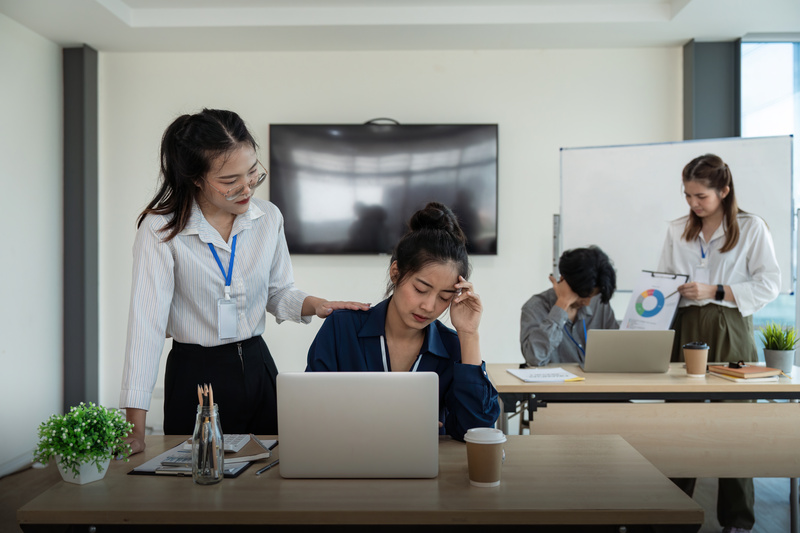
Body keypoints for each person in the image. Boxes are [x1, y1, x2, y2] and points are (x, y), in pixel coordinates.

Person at [119, 108, 369, 454]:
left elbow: (278, 292)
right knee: (199, 488)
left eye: (253, 172)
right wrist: (135, 426)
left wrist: (316, 304)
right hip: (196, 375)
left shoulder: (268, 218)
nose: (246, 186)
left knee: (274, 476)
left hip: (258, 366)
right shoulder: (161, 231)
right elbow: (146, 328)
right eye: (229, 181)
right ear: (195, 178)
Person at [657, 153, 780, 533]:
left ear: (724, 191)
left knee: (735, 423)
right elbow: (662, 277)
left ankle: (738, 521)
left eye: (701, 197)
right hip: (687, 321)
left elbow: (769, 283)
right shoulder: (678, 228)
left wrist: (717, 289)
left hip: (730, 322)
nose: (693, 204)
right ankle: (673, 516)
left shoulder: (751, 227)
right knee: (681, 421)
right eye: (688, 195)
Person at [306, 202, 500, 440]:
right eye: (420, 289)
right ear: (395, 272)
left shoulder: (453, 346)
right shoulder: (341, 328)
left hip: (425, 469)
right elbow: (311, 416)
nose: (429, 306)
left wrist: (469, 335)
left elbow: (477, 431)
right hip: (348, 463)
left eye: (444, 297)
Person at [519, 246, 618, 367]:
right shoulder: (535, 307)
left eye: (593, 296)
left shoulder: (599, 304)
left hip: (597, 384)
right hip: (555, 386)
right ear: (564, 280)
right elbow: (534, 359)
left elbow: (617, 351)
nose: (587, 303)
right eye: (583, 295)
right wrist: (562, 305)